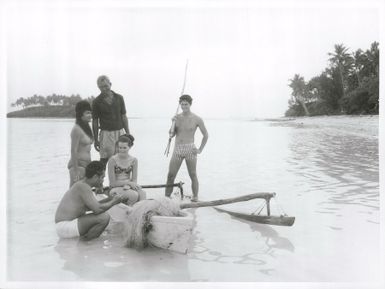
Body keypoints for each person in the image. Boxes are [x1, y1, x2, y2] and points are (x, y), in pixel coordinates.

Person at [55, 161, 123, 240]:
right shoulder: (83, 187)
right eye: (102, 178)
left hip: (63, 226)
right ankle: (87, 243)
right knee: (104, 217)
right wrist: (114, 202)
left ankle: (86, 247)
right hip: (64, 227)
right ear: (95, 177)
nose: (103, 181)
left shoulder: (82, 184)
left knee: (102, 217)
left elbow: (92, 206)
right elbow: (97, 209)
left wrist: (110, 199)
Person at [165, 94, 208, 202]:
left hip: (190, 149)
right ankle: (166, 198)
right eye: (182, 104)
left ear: (190, 104)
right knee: (171, 175)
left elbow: (206, 135)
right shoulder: (177, 118)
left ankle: (195, 197)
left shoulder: (197, 119)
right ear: (180, 104)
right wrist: (172, 123)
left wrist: (200, 150)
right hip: (178, 148)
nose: (184, 106)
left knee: (193, 174)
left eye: (186, 104)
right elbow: (171, 135)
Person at [92, 75, 130, 166]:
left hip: (120, 132)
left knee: (121, 160)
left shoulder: (119, 98)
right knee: (104, 160)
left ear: (110, 84)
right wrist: (96, 139)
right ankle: (100, 179)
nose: (104, 89)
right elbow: (95, 121)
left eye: (106, 86)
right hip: (105, 134)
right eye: (101, 87)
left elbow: (124, 116)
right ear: (98, 87)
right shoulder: (96, 102)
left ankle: (119, 180)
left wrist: (128, 134)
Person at [107, 134, 146, 205]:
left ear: (130, 147)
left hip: (128, 186)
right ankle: (131, 211)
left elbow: (134, 179)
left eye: (124, 148)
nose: (122, 150)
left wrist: (129, 185)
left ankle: (140, 212)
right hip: (115, 187)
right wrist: (128, 183)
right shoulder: (112, 160)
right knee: (134, 195)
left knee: (143, 193)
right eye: (120, 147)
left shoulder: (134, 160)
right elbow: (112, 183)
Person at [68, 100, 94, 187]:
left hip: (86, 165)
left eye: (91, 113)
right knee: (73, 191)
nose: (90, 115)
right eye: (87, 113)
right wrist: (76, 170)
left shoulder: (86, 128)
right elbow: (73, 150)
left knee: (82, 192)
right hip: (78, 165)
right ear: (80, 114)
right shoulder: (76, 129)